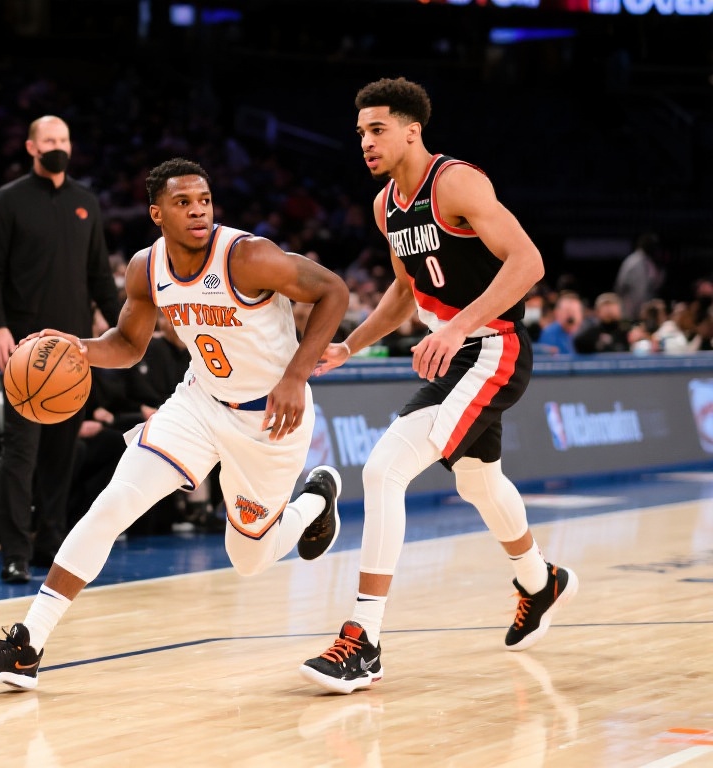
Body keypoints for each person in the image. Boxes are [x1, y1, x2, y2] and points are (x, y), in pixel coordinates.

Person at [0, 157, 351, 690]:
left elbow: (333, 291)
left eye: (204, 200)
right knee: (112, 504)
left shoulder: (248, 256)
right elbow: (127, 344)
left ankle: (314, 501)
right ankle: (28, 643)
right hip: (200, 403)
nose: (198, 211)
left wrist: (296, 375)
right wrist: (78, 348)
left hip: (270, 418)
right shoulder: (146, 268)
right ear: (156, 213)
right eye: (183, 203)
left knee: (249, 559)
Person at [298, 78, 578, 694]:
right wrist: (349, 345)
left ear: (411, 131)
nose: (366, 142)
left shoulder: (455, 182)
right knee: (478, 482)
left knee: (383, 470)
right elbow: (404, 291)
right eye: (360, 133)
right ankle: (541, 582)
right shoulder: (385, 205)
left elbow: (528, 262)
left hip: (492, 348)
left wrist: (457, 328)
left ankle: (364, 639)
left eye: (377, 130)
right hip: (455, 352)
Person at [0, 115, 122, 582]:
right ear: (31, 147)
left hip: (74, 349)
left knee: (62, 453)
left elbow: (99, 274)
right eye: (49, 140)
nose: (58, 146)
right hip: (24, 349)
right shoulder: (8, 199)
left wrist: (124, 325)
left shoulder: (85, 202)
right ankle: (14, 552)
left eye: (63, 139)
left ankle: (51, 543)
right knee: (21, 454)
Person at [614, 232, 664, 322]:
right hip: (630, 311)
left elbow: (654, 286)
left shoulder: (650, 262)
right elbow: (620, 286)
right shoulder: (632, 262)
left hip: (645, 311)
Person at [573, 292, 642, 354]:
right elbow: (578, 343)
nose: (609, 309)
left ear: (619, 310)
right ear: (598, 311)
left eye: (612, 305)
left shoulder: (628, 330)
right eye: (605, 306)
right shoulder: (591, 334)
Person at [536, 291, 584, 355]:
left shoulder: (588, 332)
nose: (571, 315)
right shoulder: (549, 333)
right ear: (557, 313)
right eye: (567, 311)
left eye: (574, 311)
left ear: (581, 314)